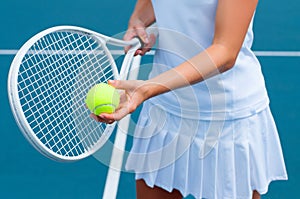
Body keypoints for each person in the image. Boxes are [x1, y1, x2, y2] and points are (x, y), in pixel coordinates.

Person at [91, 0, 288, 198]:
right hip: (165, 110)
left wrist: (149, 88)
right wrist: (139, 20)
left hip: (225, 119)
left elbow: (225, 51)